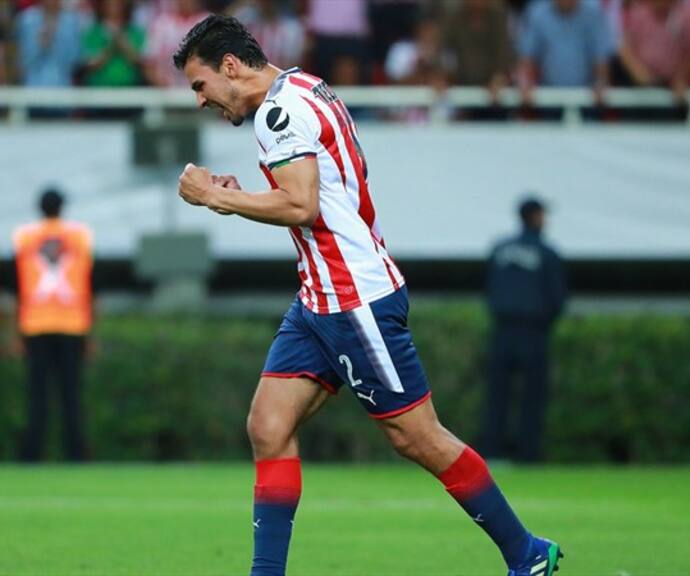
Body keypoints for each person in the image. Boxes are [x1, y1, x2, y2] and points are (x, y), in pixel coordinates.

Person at [173, 15, 563, 576]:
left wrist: (216, 197)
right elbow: (317, 193)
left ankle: (526, 553)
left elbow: (302, 205)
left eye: (200, 85)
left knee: (417, 437)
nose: (201, 100)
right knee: (268, 425)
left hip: (354, 299)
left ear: (230, 67)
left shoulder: (278, 115)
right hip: (319, 299)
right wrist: (245, 194)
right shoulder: (303, 86)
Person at [484, 198, 567, 464]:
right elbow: (557, 298)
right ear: (535, 216)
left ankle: (493, 452)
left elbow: (489, 289)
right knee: (532, 398)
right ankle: (527, 455)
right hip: (534, 333)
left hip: (502, 330)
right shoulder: (547, 252)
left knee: (498, 396)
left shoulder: (499, 249)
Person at [13, 188, 94, 462]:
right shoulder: (80, 235)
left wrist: (17, 329)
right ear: (62, 207)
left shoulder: (24, 236)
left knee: (38, 396)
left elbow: (17, 283)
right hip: (72, 324)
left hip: (35, 324)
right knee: (71, 395)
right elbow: (91, 281)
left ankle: (31, 455)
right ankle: (75, 455)